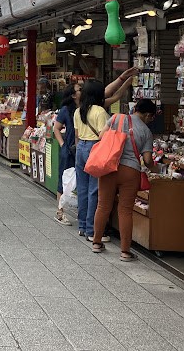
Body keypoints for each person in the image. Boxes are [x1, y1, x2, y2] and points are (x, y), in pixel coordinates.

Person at [92, 99, 157, 261]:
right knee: (125, 210)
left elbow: (101, 136)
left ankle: (96, 242)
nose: (151, 120)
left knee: (103, 206)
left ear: (135, 108)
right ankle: (125, 252)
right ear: (148, 115)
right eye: (152, 117)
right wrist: (156, 169)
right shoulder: (146, 132)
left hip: (109, 167)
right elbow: (148, 160)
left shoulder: (116, 118)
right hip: (131, 171)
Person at [73, 78, 109, 243]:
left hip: (81, 148)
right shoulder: (100, 112)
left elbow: (76, 136)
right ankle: (90, 230)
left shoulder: (79, 111)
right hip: (94, 148)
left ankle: (82, 226)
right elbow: (103, 136)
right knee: (94, 189)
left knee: (82, 188)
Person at [53, 82, 80, 226]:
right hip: (69, 149)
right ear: (73, 95)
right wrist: (62, 144)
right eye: (79, 89)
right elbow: (56, 128)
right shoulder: (65, 110)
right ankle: (60, 212)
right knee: (63, 178)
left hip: (80, 149)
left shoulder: (85, 108)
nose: (82, 90)